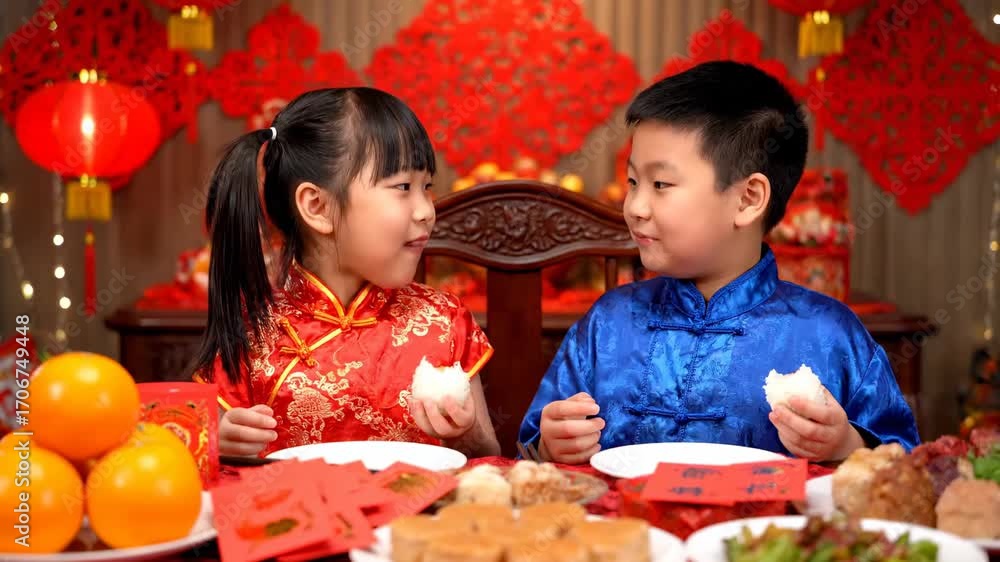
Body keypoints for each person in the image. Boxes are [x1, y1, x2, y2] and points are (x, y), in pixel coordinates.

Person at [518, 61, 920, 464]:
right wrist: (550, 445)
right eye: (633, 182)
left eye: (661, 184)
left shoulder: (830, 333)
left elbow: (901, 462)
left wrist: (847, 445)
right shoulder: (607, 323)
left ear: (747, 199)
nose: (635, 207)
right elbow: (531, 450)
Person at [191, 87, 500, 459]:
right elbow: (209, 465)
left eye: (427, 187)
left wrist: (463, 433)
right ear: (318, 207)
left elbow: (489, 458)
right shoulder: (254, 326)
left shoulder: (443, 319)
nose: (426, 212)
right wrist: (221, 444)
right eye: (403, 187)